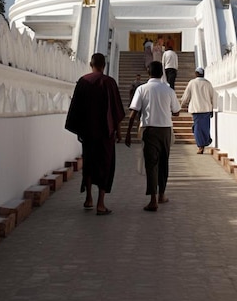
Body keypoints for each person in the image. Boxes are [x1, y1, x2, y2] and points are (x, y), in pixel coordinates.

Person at [65, 52, 125, 215]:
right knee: (105, 166)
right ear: (104, 65)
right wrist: (119, 133)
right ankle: (101, 204)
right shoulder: (109, 82)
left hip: (88, 133)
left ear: (91, 64)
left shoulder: (83, 81)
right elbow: (116, 111)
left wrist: (79, 129)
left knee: (89, 164)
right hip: (105, 133)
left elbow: (75, 108)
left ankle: (89, 198)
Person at [125, 61, 180, 212]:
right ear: (162, 73)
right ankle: (162, 194)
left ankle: (153, 200)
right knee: (164, 162)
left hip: (149, 130)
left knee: (151, 164)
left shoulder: (142, 89)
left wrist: (128, 133)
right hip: (165, 130)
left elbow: (133, 113)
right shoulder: (168, 90)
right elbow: (176, 111)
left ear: (148, 73)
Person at [180, 67, 214, 154]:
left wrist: (182, 103)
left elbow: (186, 95)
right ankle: (204, 143)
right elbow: (212, 97)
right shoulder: (208, 84)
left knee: (198, 128)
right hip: (206, 109)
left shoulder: (192, 83)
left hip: (196, 109)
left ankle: (201, 145)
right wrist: (212, 108)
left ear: (196, 73)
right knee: (205, 128)